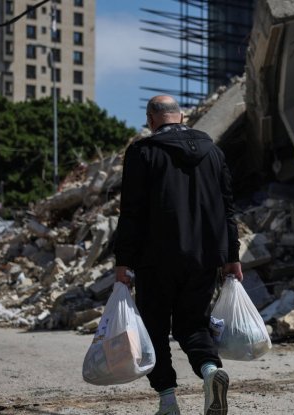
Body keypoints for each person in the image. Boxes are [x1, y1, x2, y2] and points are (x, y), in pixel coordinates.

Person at [113, 95, 242, 415]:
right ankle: (211, 371)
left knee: (154, 328)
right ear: (181, 116)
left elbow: (130, 211)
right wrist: (232, 256)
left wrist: (123, 261)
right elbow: (228, 209)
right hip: (204, 257)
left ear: (151, 119)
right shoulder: (213, 152)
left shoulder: (143, 152)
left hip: (155, 258)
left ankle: (168, 401)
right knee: (194, 325)